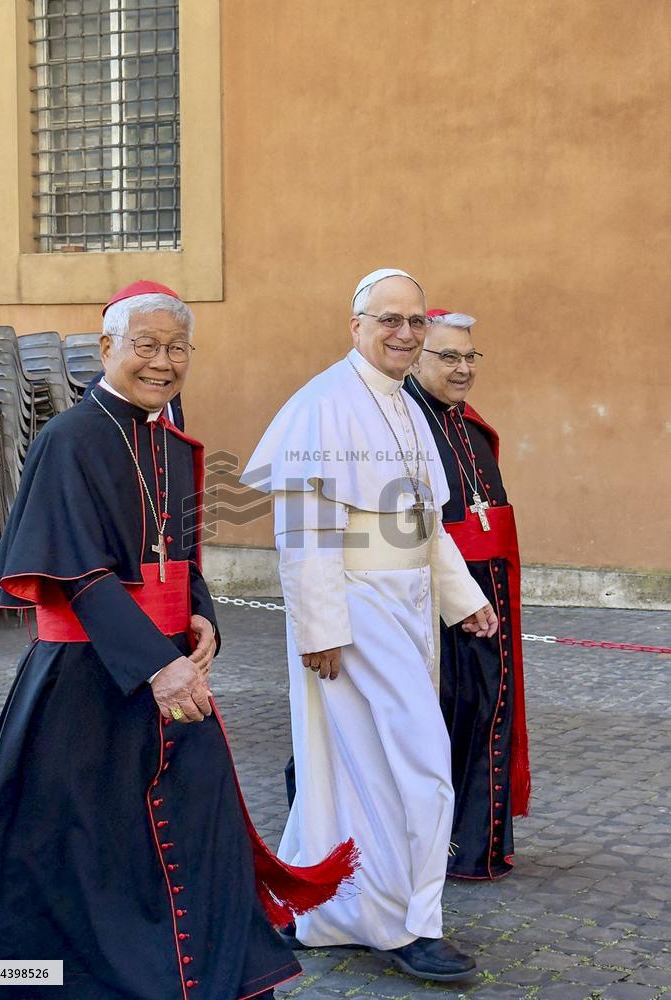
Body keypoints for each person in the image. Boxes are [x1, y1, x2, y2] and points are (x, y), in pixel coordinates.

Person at [0, 280, 356, 1000]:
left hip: (168, 666)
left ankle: (184, 975)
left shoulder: (168, 441)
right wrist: (157, 668)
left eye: (177, 348)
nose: (163, 361)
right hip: (87, 679)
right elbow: (77, 571)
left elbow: (180, 553)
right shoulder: (68, 439)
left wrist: (200, 617)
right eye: (146, 345)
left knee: (194, 831)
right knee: (65, 848)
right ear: (107, 348)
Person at [241, 269, 499, 982]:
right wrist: (320, 627)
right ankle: (411, 925)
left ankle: (322, 906)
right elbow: (303, 529)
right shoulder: (323, 403)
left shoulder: (405, 404)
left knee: (352, 772)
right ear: (355, 324)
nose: (406, 333)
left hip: (407, 608)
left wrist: (460, 598)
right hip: (355, 612)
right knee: (420, 766)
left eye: (415, 321)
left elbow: (424, 521)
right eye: (390, 319)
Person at [404, 308, 531, 879]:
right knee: (440, 717)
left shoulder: (471, 426)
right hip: (435, 600)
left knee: (486, 714)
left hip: (491, 590)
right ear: (416, 355)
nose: (461, 369)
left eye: (468, 356)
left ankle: (477, 846)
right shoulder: (402, 423)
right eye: (447, 356)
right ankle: (431, 847)